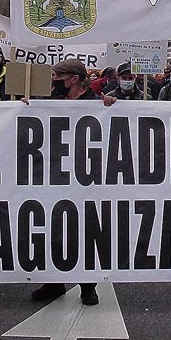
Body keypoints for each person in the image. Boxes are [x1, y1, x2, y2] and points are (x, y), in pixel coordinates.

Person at [29, 59, 100, 306]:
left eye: (58, 76)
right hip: (53, 173)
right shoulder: (50, 101)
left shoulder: (96, 103)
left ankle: (88, 285)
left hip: (85, 176)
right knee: (52, 227)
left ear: (74, 79)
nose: (54, 80)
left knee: (85, 228)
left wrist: (111, 106)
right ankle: (54, 282)